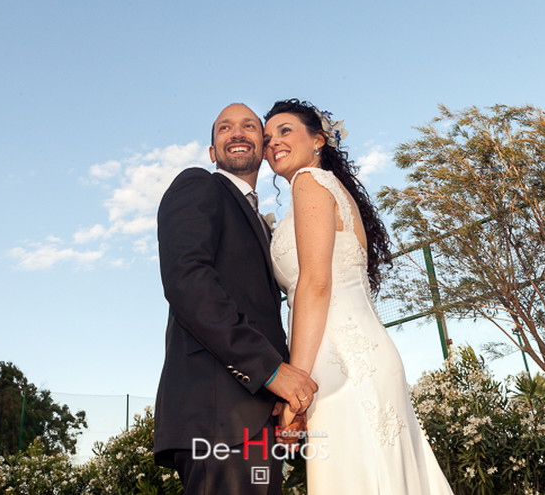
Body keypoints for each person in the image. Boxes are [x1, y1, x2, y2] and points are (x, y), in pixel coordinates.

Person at [263, 99, 454, 494]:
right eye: (267, 138)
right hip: (355, 355)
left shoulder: (308, 182)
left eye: (285, 131)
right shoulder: (333, 190)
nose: (272, 143)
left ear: (318, 139)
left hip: (341, 363)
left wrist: (295, 387)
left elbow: (316, 284)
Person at [154, 103, 319, 495]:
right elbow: (187, 281)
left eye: (249, 125)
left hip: (257, 417)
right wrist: (271, 370)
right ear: (212, 152)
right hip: (215, 416)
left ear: (263, 145)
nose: (238, 132)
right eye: (225, 128)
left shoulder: (262, 223)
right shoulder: (198, 185)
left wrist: (280, 397)